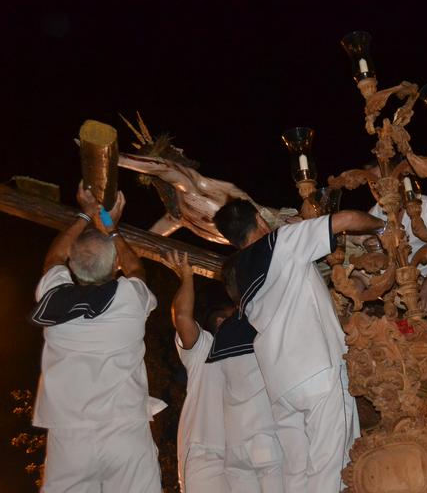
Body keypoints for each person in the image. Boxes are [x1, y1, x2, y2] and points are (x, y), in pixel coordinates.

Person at [214, 200, 385, 492]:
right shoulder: (281, 242)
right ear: (259, 218)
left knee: (296, 473)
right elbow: (346, 218)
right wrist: (383, 225)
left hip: (281, 384)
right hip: (316, 371)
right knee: (332, 466)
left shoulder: (240, 271)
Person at [29, 183, 164, 492]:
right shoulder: (129, 300)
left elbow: (53, 259)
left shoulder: (55, 304)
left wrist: (84, 215)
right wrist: (112, 229)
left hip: (69, 437)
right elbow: (136, 269)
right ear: (115, 266)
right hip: (124, 431)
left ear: (72, 268)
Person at [162, 250, 283, 493]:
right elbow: (183, 317)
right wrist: (186, 277)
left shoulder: (254, 350)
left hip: (243, 454)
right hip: (204, 453)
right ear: (219, 322)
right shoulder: (202, 349)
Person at [118, 152, 298, 244]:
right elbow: (145, 240)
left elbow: (163, 167)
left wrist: (115, 158)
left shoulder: (197, 188)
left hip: (280, 226)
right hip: (266, 245)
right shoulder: (179, 217)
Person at [364, 162, 427, 312]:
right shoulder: (373, 215)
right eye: (373, 183)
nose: (379, 187)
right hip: (393, 282)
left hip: (424, 278)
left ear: (397, 178)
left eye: (383, 179)